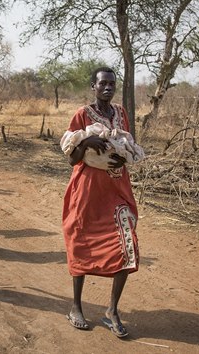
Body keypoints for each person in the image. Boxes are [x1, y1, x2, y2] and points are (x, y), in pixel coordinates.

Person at [60, 67, 138, 338]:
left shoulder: (121, 112)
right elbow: (72, 158)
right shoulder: (82, 115)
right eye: (102, 83)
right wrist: (88, 141)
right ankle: (76, 306)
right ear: (93, 86)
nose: (108, 87)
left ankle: (112, 310)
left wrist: (123, 155)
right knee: (81, 242)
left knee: (127, 241)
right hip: (88, 190)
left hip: (117, 188)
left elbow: (128, 143)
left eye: (112, 83)